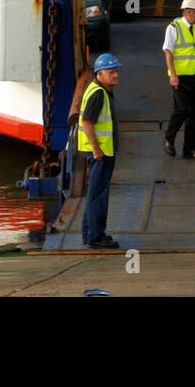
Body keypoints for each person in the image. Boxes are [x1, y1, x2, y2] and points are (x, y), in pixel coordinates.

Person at [162, 0, 195, 159]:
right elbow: (168, 51)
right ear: (188, 13)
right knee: (182, 109)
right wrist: (173, 74)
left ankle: (189, 149)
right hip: (180, 77)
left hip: (194, 76)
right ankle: (169, 138)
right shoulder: (174, 27)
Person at [79, 52, 122, 249]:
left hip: (101, 152)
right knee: (99, 195)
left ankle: (89, 234)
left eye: (116, 71)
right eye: (111, 72)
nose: (116, 75)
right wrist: (96, 149)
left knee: (95, 194)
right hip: (101, 153)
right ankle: (96, 237)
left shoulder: (99, 89)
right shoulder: (98, 93)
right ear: (100, 73)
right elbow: (87, 123)